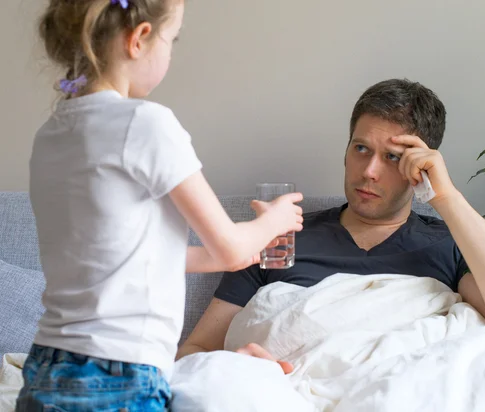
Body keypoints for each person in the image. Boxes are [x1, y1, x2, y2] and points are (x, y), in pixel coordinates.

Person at [17, 0, 303, 410]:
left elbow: (121, 254)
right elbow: (230, 246)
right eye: (172, 38)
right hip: (118, 373)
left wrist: (229, 257)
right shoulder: (146, 124)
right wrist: (272, 221)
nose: (170, 51)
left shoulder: (51, 133)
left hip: (46, 364)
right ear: (140, 39)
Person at [177, 78, 485, 371]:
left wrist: (446, 198)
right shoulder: (280, 235)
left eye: (392, 157)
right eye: (361, 149)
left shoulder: (449, 245)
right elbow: (192, 352)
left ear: (421, 168)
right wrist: (238, 365)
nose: (370, 172)